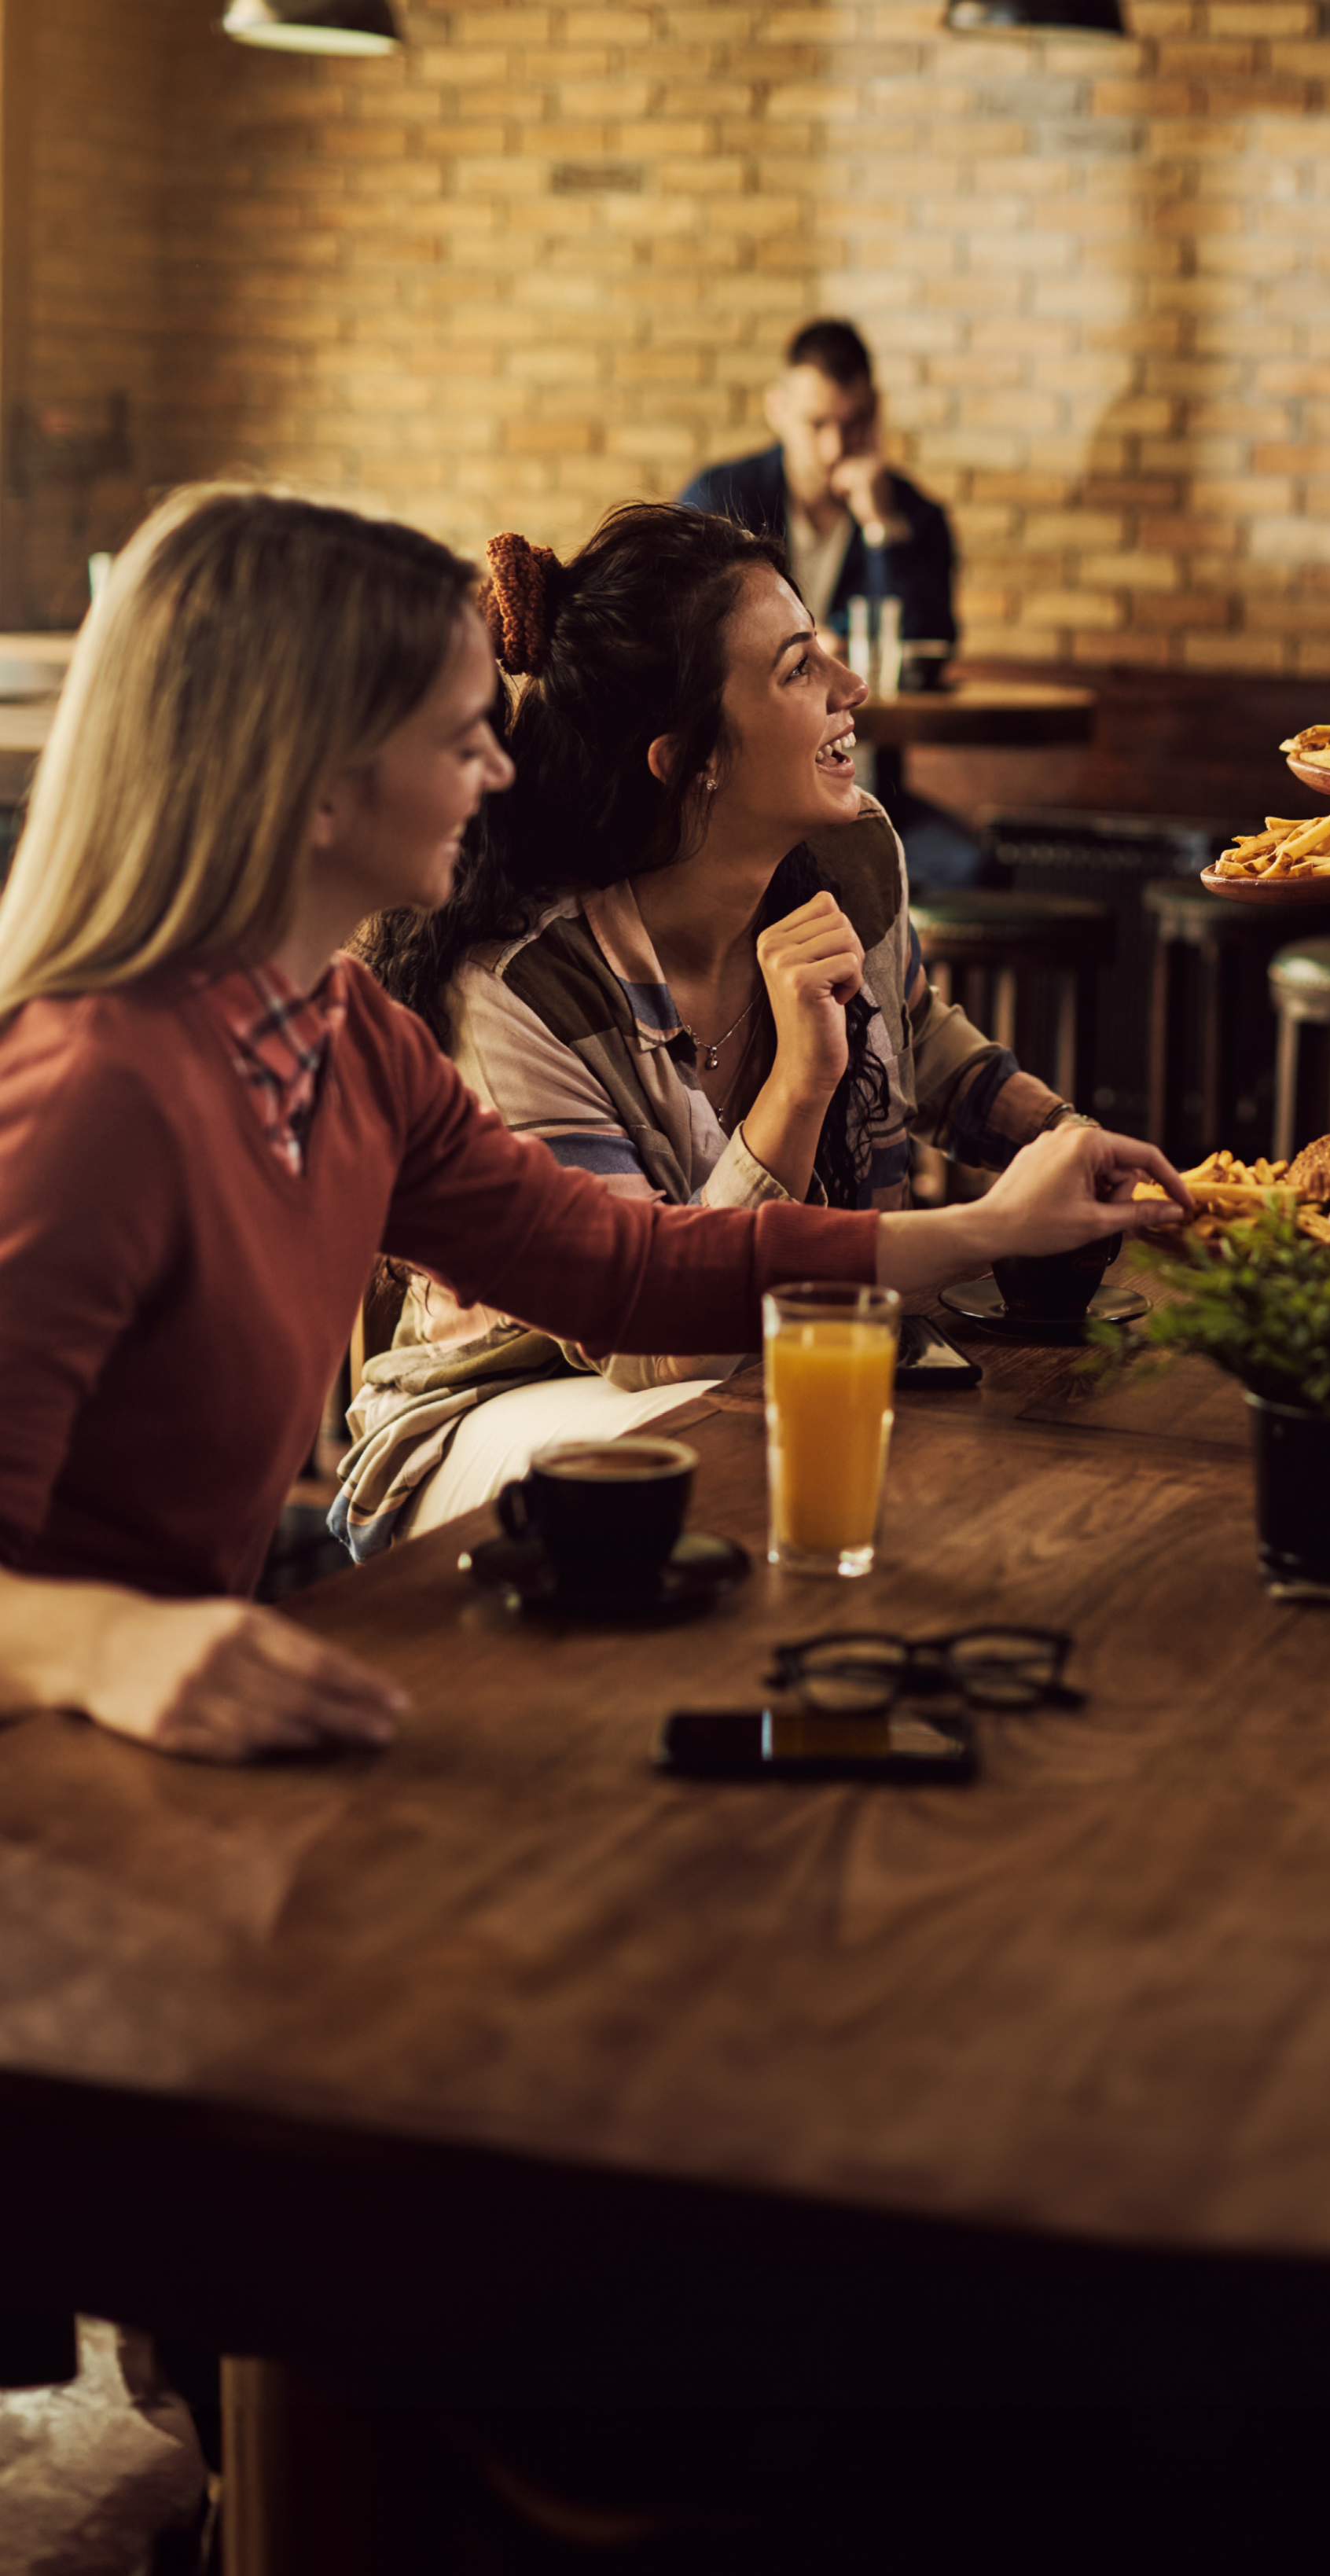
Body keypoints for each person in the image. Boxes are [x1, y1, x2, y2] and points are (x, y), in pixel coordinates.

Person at [0, 487, 1187, 1764]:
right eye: (458, 735)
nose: (501, 768)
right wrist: (109, 1645)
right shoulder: (92, 1095)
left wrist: (988, 1226)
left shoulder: (348, 1045)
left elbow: (632, 1272)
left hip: (176, 1752)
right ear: (320, 788)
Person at [338, 503, 1086, 1555]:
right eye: (796, 668)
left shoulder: (853, 855)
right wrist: (799, 1090)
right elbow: (647, 1341)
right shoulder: (522, 990)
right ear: (689, 758)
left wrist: (1056, 1138)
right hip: (510, 1407)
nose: (851, 687)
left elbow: (914, 1036)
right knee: (736, 1455)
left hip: (759, 1363)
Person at [679, 318, 983, 889]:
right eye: (816, 423)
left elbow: (926, 651)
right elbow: (687, 648)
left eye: (855, 423)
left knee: (969, 868)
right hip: (742, 792)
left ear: (877, 414)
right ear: (777, 409)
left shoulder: (913, 516)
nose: (834, 447)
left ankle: (903, 981)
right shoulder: (720, 499)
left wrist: (879, 529)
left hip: (865, 783)